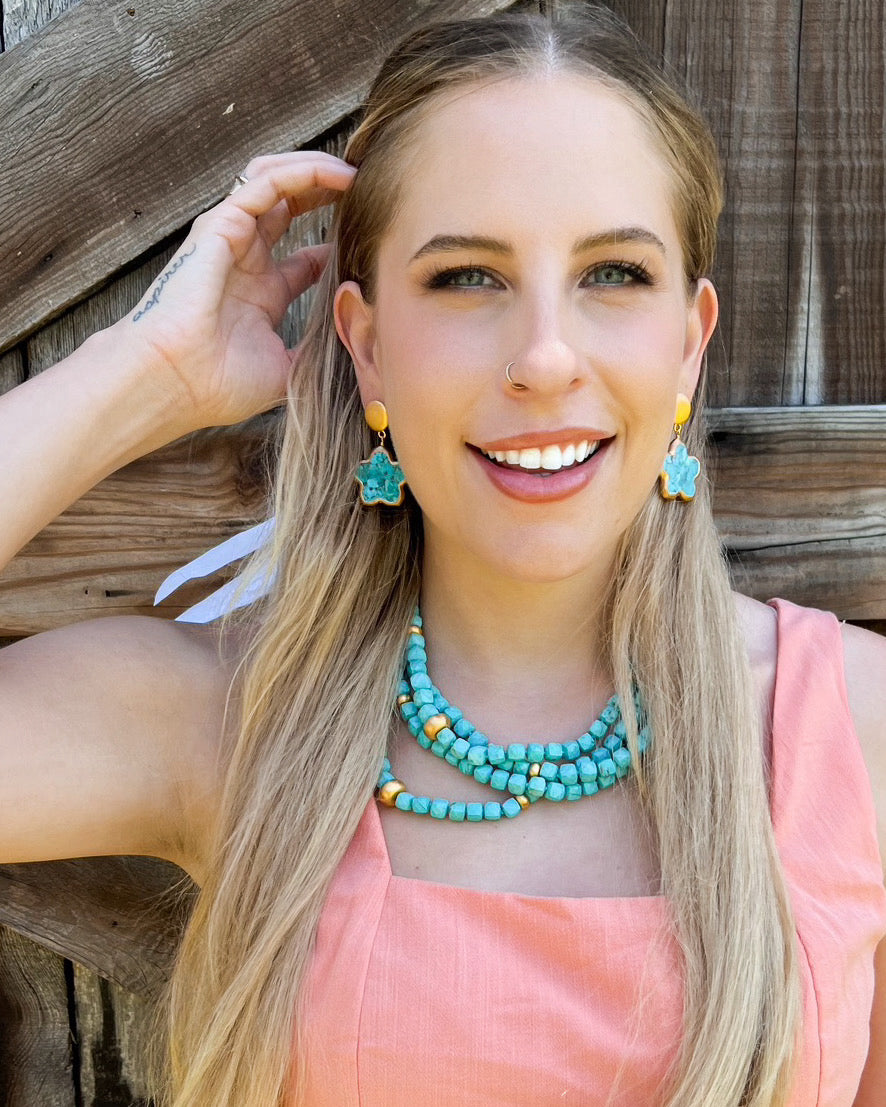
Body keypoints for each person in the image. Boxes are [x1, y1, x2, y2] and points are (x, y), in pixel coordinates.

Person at [1, 6, 883, 1106]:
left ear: (689, 344)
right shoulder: (228, 719)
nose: (546, 356)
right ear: (366, 347)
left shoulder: (858, 726)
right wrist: (147, 371)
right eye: (468, 277)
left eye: (612, 274)